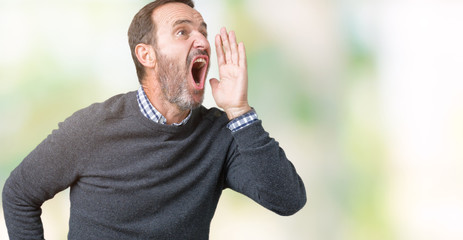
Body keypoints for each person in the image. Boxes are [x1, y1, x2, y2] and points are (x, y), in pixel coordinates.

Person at [2, 0, 306, 239]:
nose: (201, 40)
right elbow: (18, 194)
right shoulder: (92, 127)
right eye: (182, 31)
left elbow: (287, 199)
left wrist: (239, 110)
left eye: (202, 30)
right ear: (147, 55)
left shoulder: (221, 135)